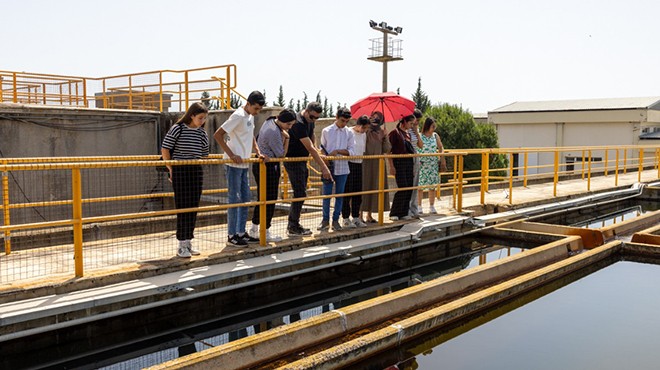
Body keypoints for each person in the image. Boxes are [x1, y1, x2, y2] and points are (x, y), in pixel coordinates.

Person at [213, 91, 265, 247]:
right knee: (234, 199)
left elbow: (251, 136)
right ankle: (232, 235)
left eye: (259, 110)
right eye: (255, 108)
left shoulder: (250, 116)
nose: (257, 112)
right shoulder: (238, 115)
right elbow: (218, 135)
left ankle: (241, 232)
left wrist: (258, 151)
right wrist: (231, 154)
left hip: (244, 163)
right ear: (248, 103)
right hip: (233, 164)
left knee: (245, 198)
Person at [161, 102, 209, 258]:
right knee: (183, 206)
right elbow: (165, 148)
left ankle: (188, 241)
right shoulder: (178, 128)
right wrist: (171, 168)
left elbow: (204, 152)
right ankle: (182, 243)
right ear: (192, 115)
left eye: (204, 119)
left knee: (193, 206)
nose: (202, 121)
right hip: (180, 169)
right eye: (200, 118)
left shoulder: (202, 132)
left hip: (195, 169)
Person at [248, 108, 297, 242]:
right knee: (269, 199)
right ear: (282, 121)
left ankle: (255, 229)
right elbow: (281, 154)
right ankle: (264, 230)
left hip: (261, 165)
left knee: (263, 198)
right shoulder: (274, 131)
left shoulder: (270, 121)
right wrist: (287, 138)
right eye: (289, 124)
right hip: (268, 166)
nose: (290, 127)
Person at [284, 102, 332, 236]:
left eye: (317, 118)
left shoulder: (310, 120)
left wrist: (316, 148)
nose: (314, 120)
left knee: (301, 192)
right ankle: (293, 226)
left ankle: (294, 224)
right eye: (312, 117)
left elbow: (312, 138)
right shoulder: (298, 123)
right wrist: (323, 167)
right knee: (299, 193)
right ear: (306, 111)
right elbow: (309, 147)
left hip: (302, 161)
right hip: (294, 161)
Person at [318, 107, 355, 232]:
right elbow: (321, 147)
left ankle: (335, 220)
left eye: (346, 121)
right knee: (326, 195)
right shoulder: (326, 131)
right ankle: (325, 220)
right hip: (328, 167)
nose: (344, 124)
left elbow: (352, 151)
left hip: (343, 168)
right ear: (336, 117)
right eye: (342, 120)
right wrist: (325, 159)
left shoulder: (349, 133)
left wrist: (338, 151)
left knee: (340, 195)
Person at [361, 111, 391, 223]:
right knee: (364, 186)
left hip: (378, 164)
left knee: (375, 188)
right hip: (366, 163)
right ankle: (359, 215)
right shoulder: (365, 130)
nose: (375, 120)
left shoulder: (381, 132)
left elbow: (387, 149)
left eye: (378, 118)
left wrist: (385, 137)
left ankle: (369, 215)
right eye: (373, 117)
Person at [341, 115, 370, 228]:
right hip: (349, 163)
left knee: (358, 192)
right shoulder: (349, 132)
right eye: (364, 128)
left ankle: (356, 217)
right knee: (347, 192)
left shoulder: (364, 134)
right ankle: (345, 218)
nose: (365, 130)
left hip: (359, 163)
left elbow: (362, 149)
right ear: (358, 125)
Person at [388, 115, 416, 220]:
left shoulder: (407, 134)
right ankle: (394, 212)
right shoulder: (395, 133)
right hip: (399, 163)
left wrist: (412, 167)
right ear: (404, 121)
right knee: (402, 187)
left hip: (408, 163)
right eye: (410, 123)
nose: (411, 126)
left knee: (409, 187)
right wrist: (391, 166)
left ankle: (404, 212)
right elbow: (388, 151)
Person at [418, 117, 447, 214]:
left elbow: (440, 146)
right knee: (420, 186)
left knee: (432, 186)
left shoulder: (435, 136)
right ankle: (419, 206)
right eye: (432, 126)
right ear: (427, 126)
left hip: (433, 163)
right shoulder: (420, 135)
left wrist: (442, 157)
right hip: (422, 164)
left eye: (435, 126)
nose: (434, 128)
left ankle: (431, 205)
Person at [408, 109, 424, 218]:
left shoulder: (415, 130)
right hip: (409, 158)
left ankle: (414, 207)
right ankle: (407, 208)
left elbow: (421, 145)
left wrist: (417, 133)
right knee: (409, 184)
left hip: (416, 157)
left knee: (415, 184)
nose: (417, 122)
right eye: (416, 120)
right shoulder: (406, 130)